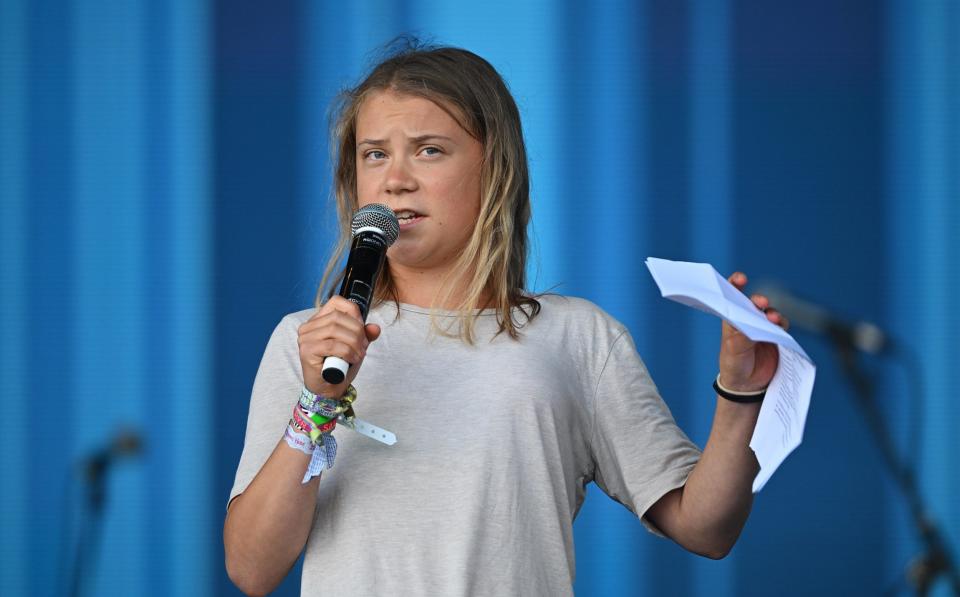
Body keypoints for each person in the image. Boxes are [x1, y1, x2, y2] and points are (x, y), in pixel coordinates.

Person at [223, 40, 789, 597]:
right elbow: (252, 569)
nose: (395, 178)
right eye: (375, 154)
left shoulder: (578, 338)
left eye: (429, 150)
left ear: (495, 170)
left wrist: (740, 394)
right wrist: (317, 402)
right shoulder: (305, 344)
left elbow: (706, 528)